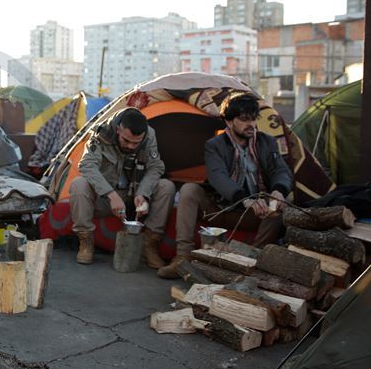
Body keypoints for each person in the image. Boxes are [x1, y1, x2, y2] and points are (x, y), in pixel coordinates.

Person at [158, 93, 292, 279]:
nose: (251, 124)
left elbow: (281, 171)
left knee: (282, 203)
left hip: (255, 211)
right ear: (229, 121)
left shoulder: (266, 142)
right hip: (222, 208)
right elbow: (218, 177)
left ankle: (253, 260)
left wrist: (278, 190)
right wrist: (245, 199)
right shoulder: (215, 145)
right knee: (189, 190)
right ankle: (183, 257)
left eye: (253, 119)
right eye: (244, 119)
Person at [69, 107, 175, 267]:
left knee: (166, 186)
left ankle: (149, 245)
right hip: (105, 198)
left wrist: (143, 193)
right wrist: (111, 195)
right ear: (118, 130)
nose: (131, 146)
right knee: (78, 184)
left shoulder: (149, 135)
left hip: (134, 196)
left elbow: (156, 167)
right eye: (126, 141)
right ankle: (86, 243)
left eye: (136, 143)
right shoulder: (101, 133)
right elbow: (86, 165)